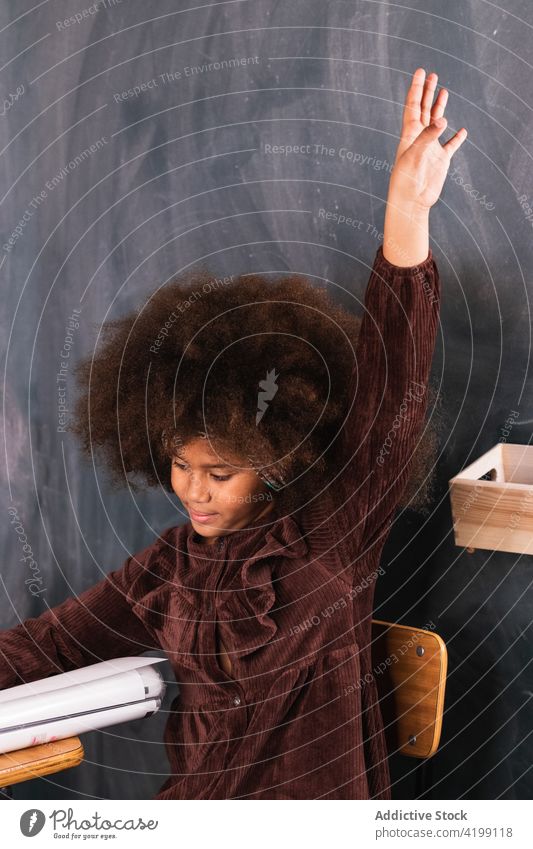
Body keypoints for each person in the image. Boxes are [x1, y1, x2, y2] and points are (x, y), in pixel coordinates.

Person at [0, 68, 466, 799]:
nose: (192, 491)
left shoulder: (329, 534)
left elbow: (391, 380)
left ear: (277, 458)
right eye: (180, 465)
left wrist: (406, 211)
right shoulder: (169, 564)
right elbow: (50, 643)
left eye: (218, 473)